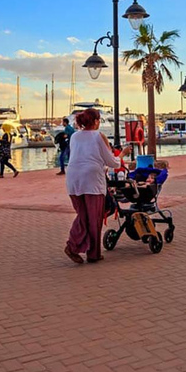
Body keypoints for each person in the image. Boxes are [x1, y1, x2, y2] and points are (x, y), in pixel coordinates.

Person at [64, 108, 121, 265]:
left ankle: (74, 246)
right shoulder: (98, 136)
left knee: (82, 214)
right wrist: (120, 157)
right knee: (94, 217)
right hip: (92, 179)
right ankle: (91, 253)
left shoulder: (75, 136)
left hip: (73, 177)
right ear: (96, 121)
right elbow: (112, 162)